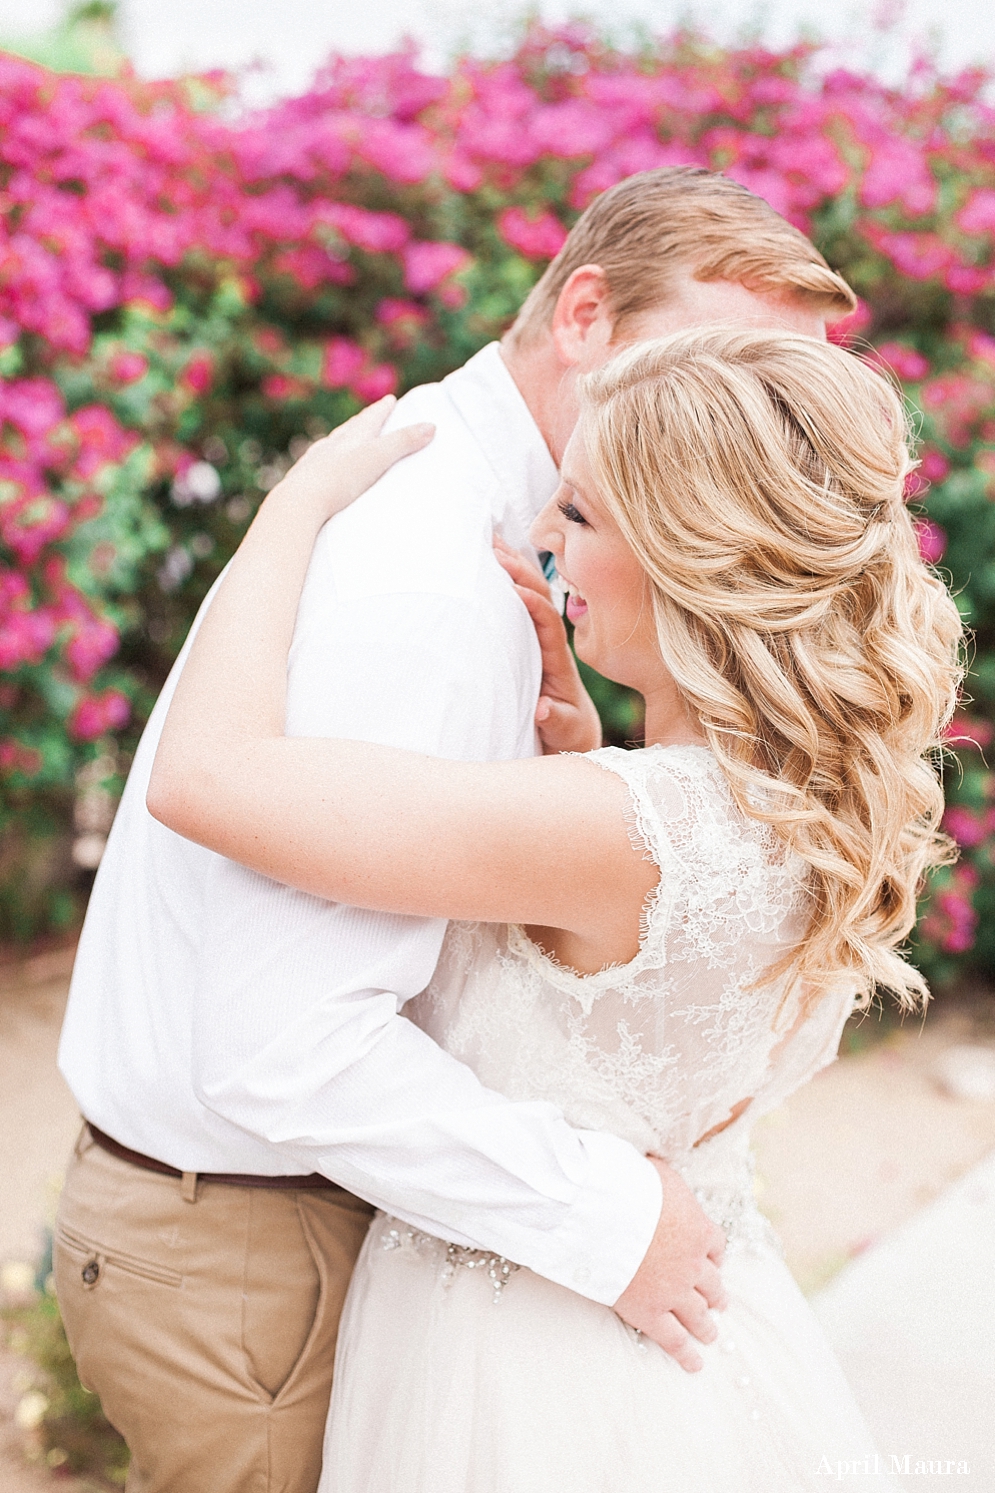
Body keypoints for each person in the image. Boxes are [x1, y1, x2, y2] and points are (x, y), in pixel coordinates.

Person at [54, 168, 854, 1493]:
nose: (745, 417)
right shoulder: (436, 575)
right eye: (716, 360)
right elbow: (283, 1047)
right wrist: (600, 1219)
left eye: (775, 394)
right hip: (264, 1249)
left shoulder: (543, 598)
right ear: (584, 313)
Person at [148, 327, 963, 1491]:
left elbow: (205, 777)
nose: (541, 537)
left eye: (575, 514)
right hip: (706, 1343)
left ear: (689, 554)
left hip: (522, 1369)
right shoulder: (816, 802)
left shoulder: (612, 828)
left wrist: (296, 506)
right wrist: (586, 758)